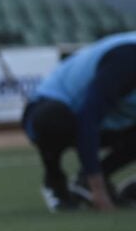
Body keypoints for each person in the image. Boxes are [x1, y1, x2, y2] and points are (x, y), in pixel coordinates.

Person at [22, 31, 136, 212]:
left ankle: (87, 181)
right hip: (48, 111)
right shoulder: (126, 59)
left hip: (110, 121)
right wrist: (98, 191)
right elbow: (88, 117)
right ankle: (55, 180)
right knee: (53, 120)